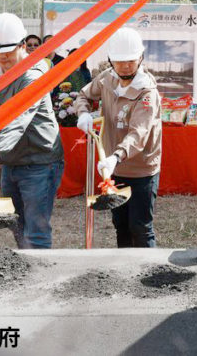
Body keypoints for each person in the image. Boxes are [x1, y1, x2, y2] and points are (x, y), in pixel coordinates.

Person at [0, 13, 64, 249]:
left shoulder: (32, 75)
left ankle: (40, 281)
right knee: (17, 225)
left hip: (39, 160)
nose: (2, 59)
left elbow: (19, 117)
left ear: (23, 46)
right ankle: (26, 274)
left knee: (36, 231)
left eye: (7, 53)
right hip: (12, 159)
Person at [74, 28, 162, 247]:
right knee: (120, 223)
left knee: (140, 226)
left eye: (131, 61)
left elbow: (138, 134)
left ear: (140, 58)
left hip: (141, 167)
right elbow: (84, 94)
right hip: (114, 167)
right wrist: (83, 112)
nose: (125, 66)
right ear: (111, 60)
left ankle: (149, 269)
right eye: (120, 61)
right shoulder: (107, 79)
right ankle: (125, 273)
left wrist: (116, 156)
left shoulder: (147, 92)